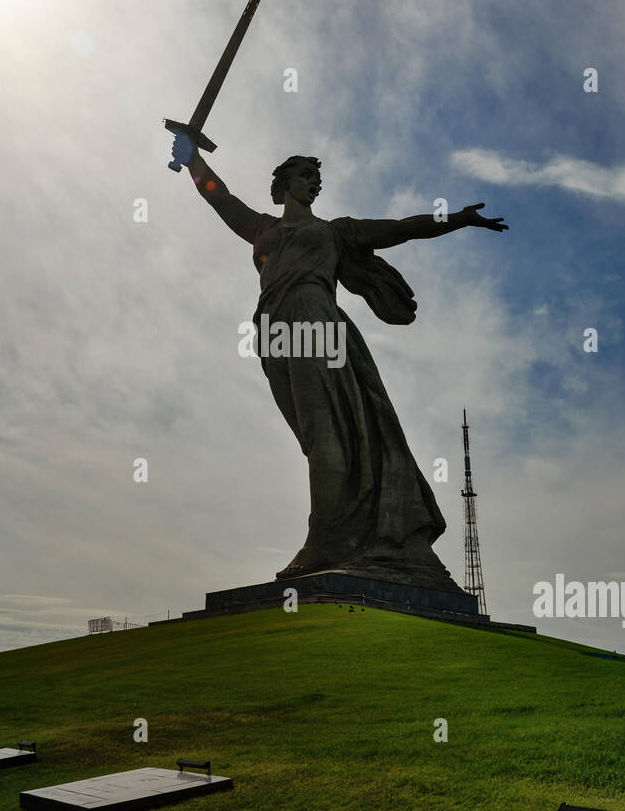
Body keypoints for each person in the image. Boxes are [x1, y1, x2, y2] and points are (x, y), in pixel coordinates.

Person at [170, 131, 507, 589]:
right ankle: (341, 532)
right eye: (307, 176)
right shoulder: (263, 229)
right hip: (272, 328)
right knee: (313, 436)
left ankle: (324, 541)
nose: (315, 184)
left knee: (324, 428)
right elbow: (220, 198)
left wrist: (458, 219)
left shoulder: (334, 232)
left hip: (314, 317)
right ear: (285, 182)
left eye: (317, 179)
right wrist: (191, 160)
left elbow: (402, 228)